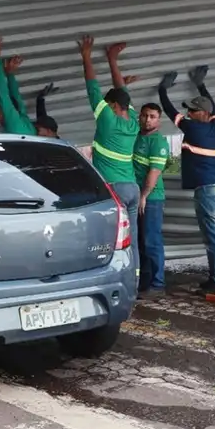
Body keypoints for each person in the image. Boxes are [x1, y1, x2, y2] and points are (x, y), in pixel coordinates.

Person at [158, 65, 215, 296]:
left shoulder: (192, 128)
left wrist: (162, 90)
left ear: (201, 114)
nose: (188, 113)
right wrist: (200, 84)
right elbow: (213, 107)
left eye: (192, 110)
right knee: (213, 236)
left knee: (213, 238)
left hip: (207, 191)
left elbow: (169, 111)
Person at [77, 36, 141, 278]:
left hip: (113, 188)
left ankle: (108, 276)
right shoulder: (133, 122)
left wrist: (86, 55)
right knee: (131, 237)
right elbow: (123, 93)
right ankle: (133, 277)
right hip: (132, 188)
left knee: (107, 236)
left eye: (107, 102)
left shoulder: (107, 119)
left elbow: (92, 86)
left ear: (113, 106)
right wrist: (113, 60)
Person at [133, 102, 169, 298]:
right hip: (137, 197)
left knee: (152, 241)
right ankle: (144, 283)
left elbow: (154, 172)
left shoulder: (158, 142)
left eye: (152, 116)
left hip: (151, 198)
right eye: (145, 115)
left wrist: (144, 196)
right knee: (140, 242)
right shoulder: (136, 137)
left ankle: (158, 284)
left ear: (159, 120)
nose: (148, 119)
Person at [0, 35, 37, 135]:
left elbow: (4, 94)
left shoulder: (15, 125)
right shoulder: (23, 123)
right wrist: (9, 74)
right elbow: (16, 100)